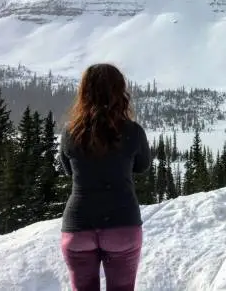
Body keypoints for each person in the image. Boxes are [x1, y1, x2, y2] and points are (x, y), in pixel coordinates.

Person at [58, 63, 152, 291]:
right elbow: (143, 166)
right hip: (123, 223)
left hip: (78, 224)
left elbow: (68, 170)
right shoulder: (133, 132)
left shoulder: (70, 133)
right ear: (120, 92)